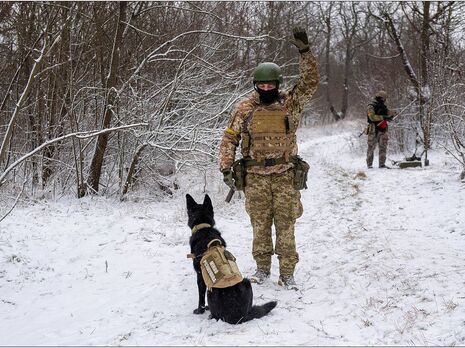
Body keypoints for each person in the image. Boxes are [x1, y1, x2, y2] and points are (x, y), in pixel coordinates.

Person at [218, 27, 319, 290]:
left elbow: (310, 83)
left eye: (270, 84)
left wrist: (305, 52)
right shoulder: (245, 108)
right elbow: (230, 137)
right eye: (261, 85)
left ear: (277, 84)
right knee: (259, 225)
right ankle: (262, 269)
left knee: (286, 225)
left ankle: (287, 273)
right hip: (255, 178)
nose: (266, 88)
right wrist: (226, 166)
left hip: (285, 174)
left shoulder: (290, 103)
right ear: (255, 85)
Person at [366, 90, 396, 168]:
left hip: (383, 129)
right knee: (371, 147)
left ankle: (382, 164)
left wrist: (391, 115)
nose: (384, 100)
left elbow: (387, 113)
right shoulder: (371, 106)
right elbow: (372, 117)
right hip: (373, 129)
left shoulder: (383, 106)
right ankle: (369, 165)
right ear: (380, 97)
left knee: (383, 147)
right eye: (384, 98)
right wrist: (384, 117)